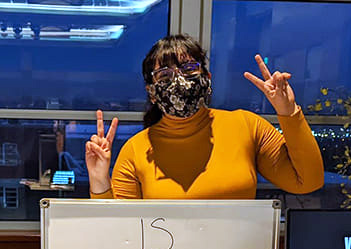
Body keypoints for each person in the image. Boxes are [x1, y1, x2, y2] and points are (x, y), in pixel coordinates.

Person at [86, 34, 324, 199]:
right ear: (152, 91)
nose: (179, 80)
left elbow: (308, 181)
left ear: (207, 78)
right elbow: (116, 232)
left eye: (189, 69)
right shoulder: (136, 149)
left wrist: (289, 113)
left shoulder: (246, 126)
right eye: (165, 75)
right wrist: (99, 181)